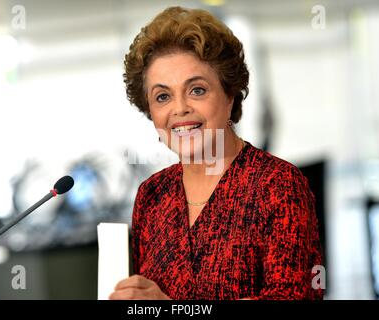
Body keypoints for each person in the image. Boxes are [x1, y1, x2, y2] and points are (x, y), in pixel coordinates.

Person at [109, 6, 324, 300]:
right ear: (150, 111)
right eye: (162, 96)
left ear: (229, 94)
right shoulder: (151, 197)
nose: (180, 108)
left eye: (197, 90)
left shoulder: (278, 185)